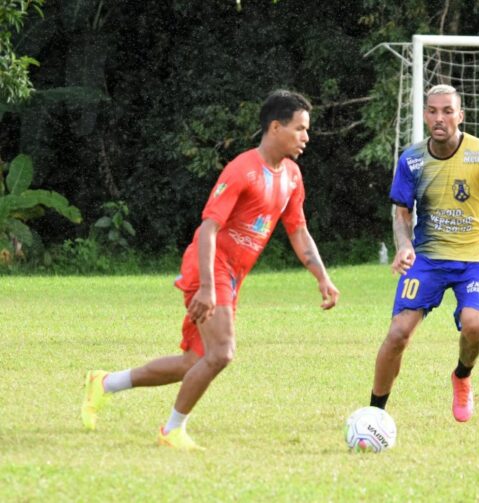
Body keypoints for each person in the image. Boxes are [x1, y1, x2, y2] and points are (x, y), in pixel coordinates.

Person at [81, 90, 340, 450]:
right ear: (275, 127)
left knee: (193, 361)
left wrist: (322, 277)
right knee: (221, 353)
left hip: (231, 276)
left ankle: (105, 383)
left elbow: (298, 230)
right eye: (300, 128)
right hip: (210, 268)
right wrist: (207, 287)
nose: (306, 137)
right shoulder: (242, 170)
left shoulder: (292, 176)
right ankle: (172, 430)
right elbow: (209, 228)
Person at [369, 85, 479, 422]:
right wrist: (404, 245)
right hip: (428, 258)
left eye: (447, 111)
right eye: (432, 111)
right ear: (425, 115)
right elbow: (402, 213)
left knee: (475, 326)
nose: (439, 118)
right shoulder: (412, 159)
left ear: (460, 115)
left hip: (476, 258)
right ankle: (374, 414)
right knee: (398, 334)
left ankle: (462, 375)